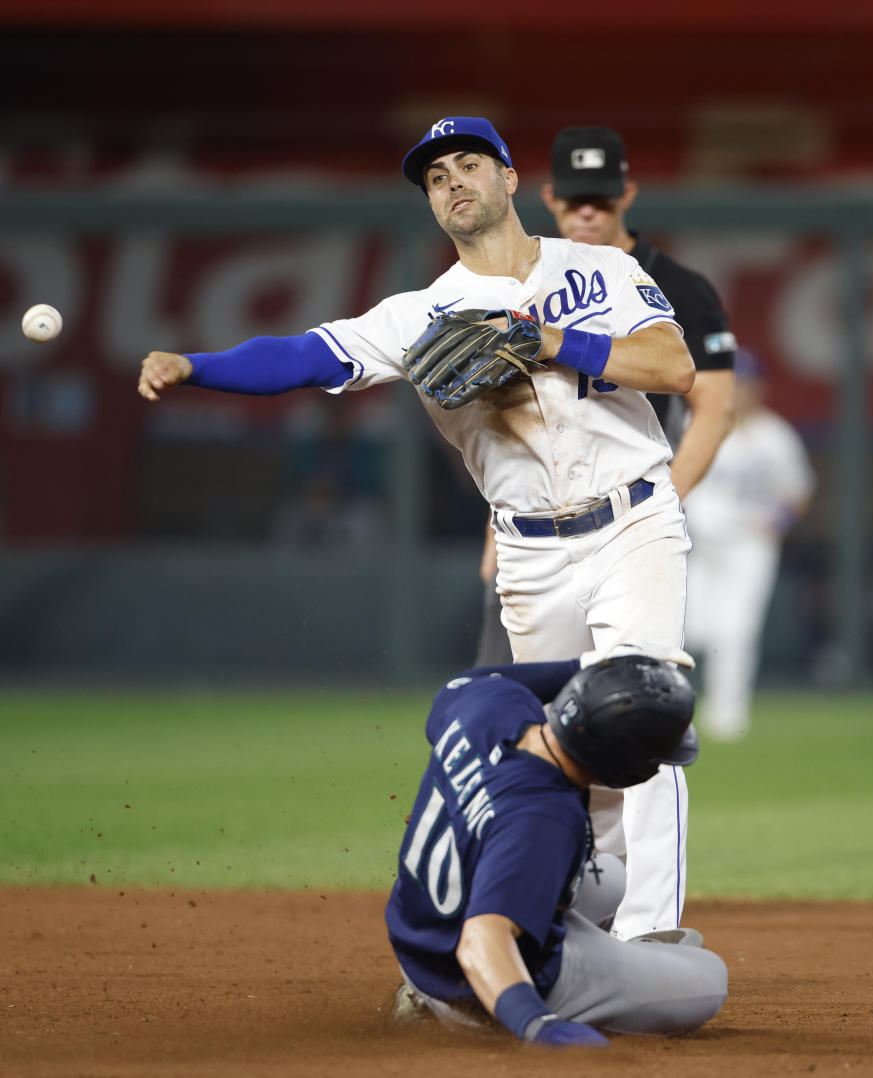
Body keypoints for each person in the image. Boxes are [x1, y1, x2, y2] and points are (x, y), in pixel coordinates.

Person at [137, 115, 694, 940]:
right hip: (532, 552)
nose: (454, 182)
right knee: (563, 741)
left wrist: (548, 340)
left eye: (470, 164)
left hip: (634, 521)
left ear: (509, 178)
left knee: (641, 705)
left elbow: (671, 365)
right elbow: (306, 354)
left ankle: (651, 932)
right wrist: (199, 368)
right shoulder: (420, 315)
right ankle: (568, 918)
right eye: (437, 178)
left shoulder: (600, 268)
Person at [476, 125, 736, 666]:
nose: (587, 212)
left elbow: (714, 411)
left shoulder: (678, 287)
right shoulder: (523, 284)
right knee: (513, 708)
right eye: (575, 199)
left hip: (630, 515)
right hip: (534, 529)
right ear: (550, 199)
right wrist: (499, 520)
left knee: (632, 706)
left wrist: (658, 509)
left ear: (626, 196)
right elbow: (516, 418)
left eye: (600, 197)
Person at [386, 652, 728, 1045]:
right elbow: (482, 938)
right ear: (625, 764)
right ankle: (464, 1011)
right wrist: (537, 1024)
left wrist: (596, 669)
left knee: (610, 878)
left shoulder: (489, 706)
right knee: (707, 977)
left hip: (421, 934)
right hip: (469, 982)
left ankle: (425, 990)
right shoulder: (545, 818)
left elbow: (468, 680)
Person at [683, 349, 816, 740]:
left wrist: (777, 522)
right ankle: (674, 705)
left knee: (735, 630)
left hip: (747, 545)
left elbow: (798, 491)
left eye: (745, 384)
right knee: (690, 629)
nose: (738, 391)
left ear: (758, 388)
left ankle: (728, 713)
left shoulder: (774, 436)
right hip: (700, 543)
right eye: (733, 383)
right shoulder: (697, 423)